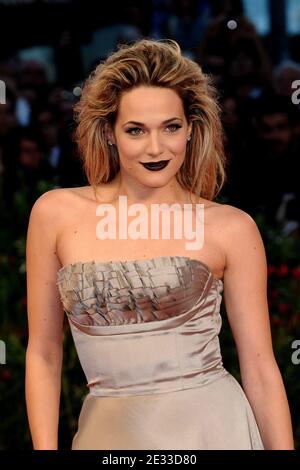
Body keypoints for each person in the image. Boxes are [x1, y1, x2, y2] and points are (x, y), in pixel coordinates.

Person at [25, 38, 295, 450]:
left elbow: (259, 367)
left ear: (190, 128)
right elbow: (43, 354)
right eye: (136, 130)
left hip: (212, 431)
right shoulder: (55, 214)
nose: (156, 148)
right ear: (110, 133)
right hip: (106, 436)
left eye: (171, 127)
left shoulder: (230, 228)